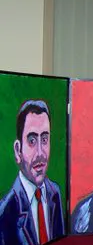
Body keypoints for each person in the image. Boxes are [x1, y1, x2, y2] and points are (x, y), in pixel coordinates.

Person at [0, 100, 65, 245]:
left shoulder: (55, 193)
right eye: (32, 140)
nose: (40, 153)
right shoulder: (5, 212)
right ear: (18, 151)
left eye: (44, 139)